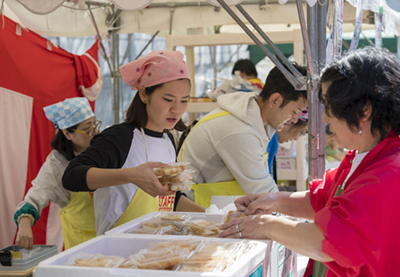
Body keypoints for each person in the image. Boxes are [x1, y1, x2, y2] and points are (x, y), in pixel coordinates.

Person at [218, 47, 400, 276]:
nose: (324, 118)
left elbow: (326, 241)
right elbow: (320, 199)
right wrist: (274, 200)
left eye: (331, 108)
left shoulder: (389, 173)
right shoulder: (362, 155)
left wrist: (264, 226)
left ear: (363, 112)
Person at [62, 50, 205, 236]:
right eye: (168, 99)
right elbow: (71, 176)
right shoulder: (120, 137)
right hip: (118, 252)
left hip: (157, 249)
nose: (176, 109)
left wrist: (213, 216)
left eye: (184, 101)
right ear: (144, 94)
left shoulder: (168, 139)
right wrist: (131, 175)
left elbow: (170, 198)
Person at [179, 62, 308, 208]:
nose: (295, 119)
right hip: (197, 211)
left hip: (218, 207)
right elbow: (264, 192)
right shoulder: (238, 130)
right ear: (275, 100)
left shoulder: (259, 123)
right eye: (295, 112)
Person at [14, 97, 98, 250]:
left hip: (113, 231)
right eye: (88, 128)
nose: (95, 132)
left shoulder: (102, 148)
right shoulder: (57, 165)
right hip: (83, 245)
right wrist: (25, 222)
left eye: (95, 123)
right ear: (67, 133)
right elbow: (35, 196)